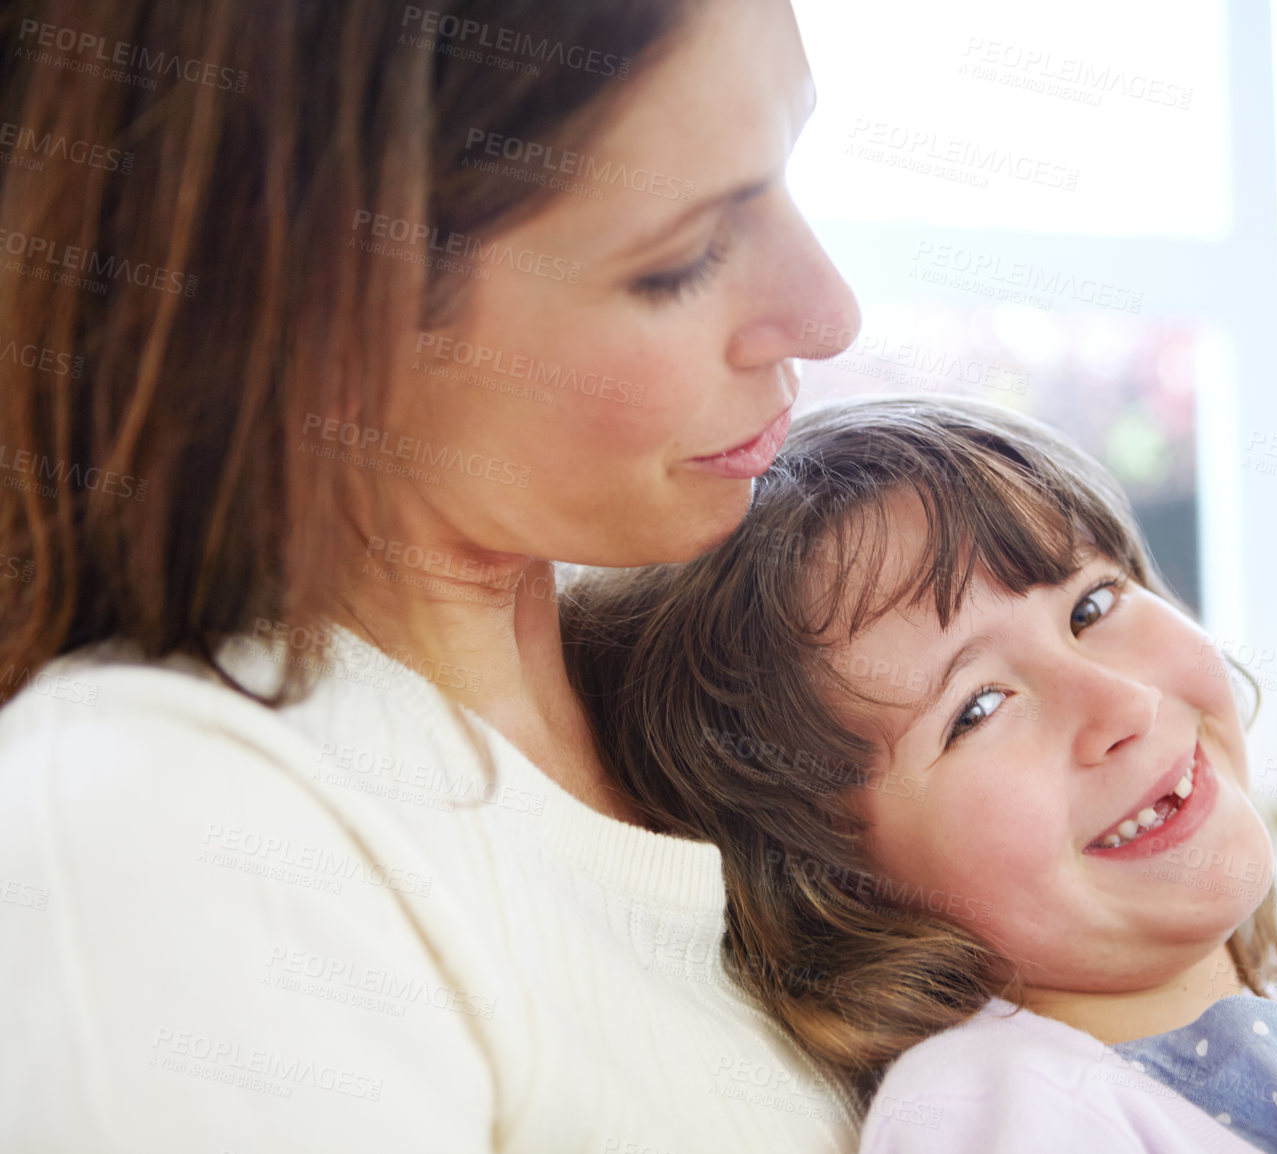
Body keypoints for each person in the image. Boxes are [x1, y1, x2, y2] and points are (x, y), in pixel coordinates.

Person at [0, 1, 861, 1151]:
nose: (827, 314)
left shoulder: (701, 685)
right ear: (305, 307)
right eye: (680, 260)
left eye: (784, 172)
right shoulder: (166, 839)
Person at [563, 395, 1277, 1154]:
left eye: (1092, 604)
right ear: (840, 884)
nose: (1120, 704)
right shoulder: (1007, 1102)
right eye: (979, 706)